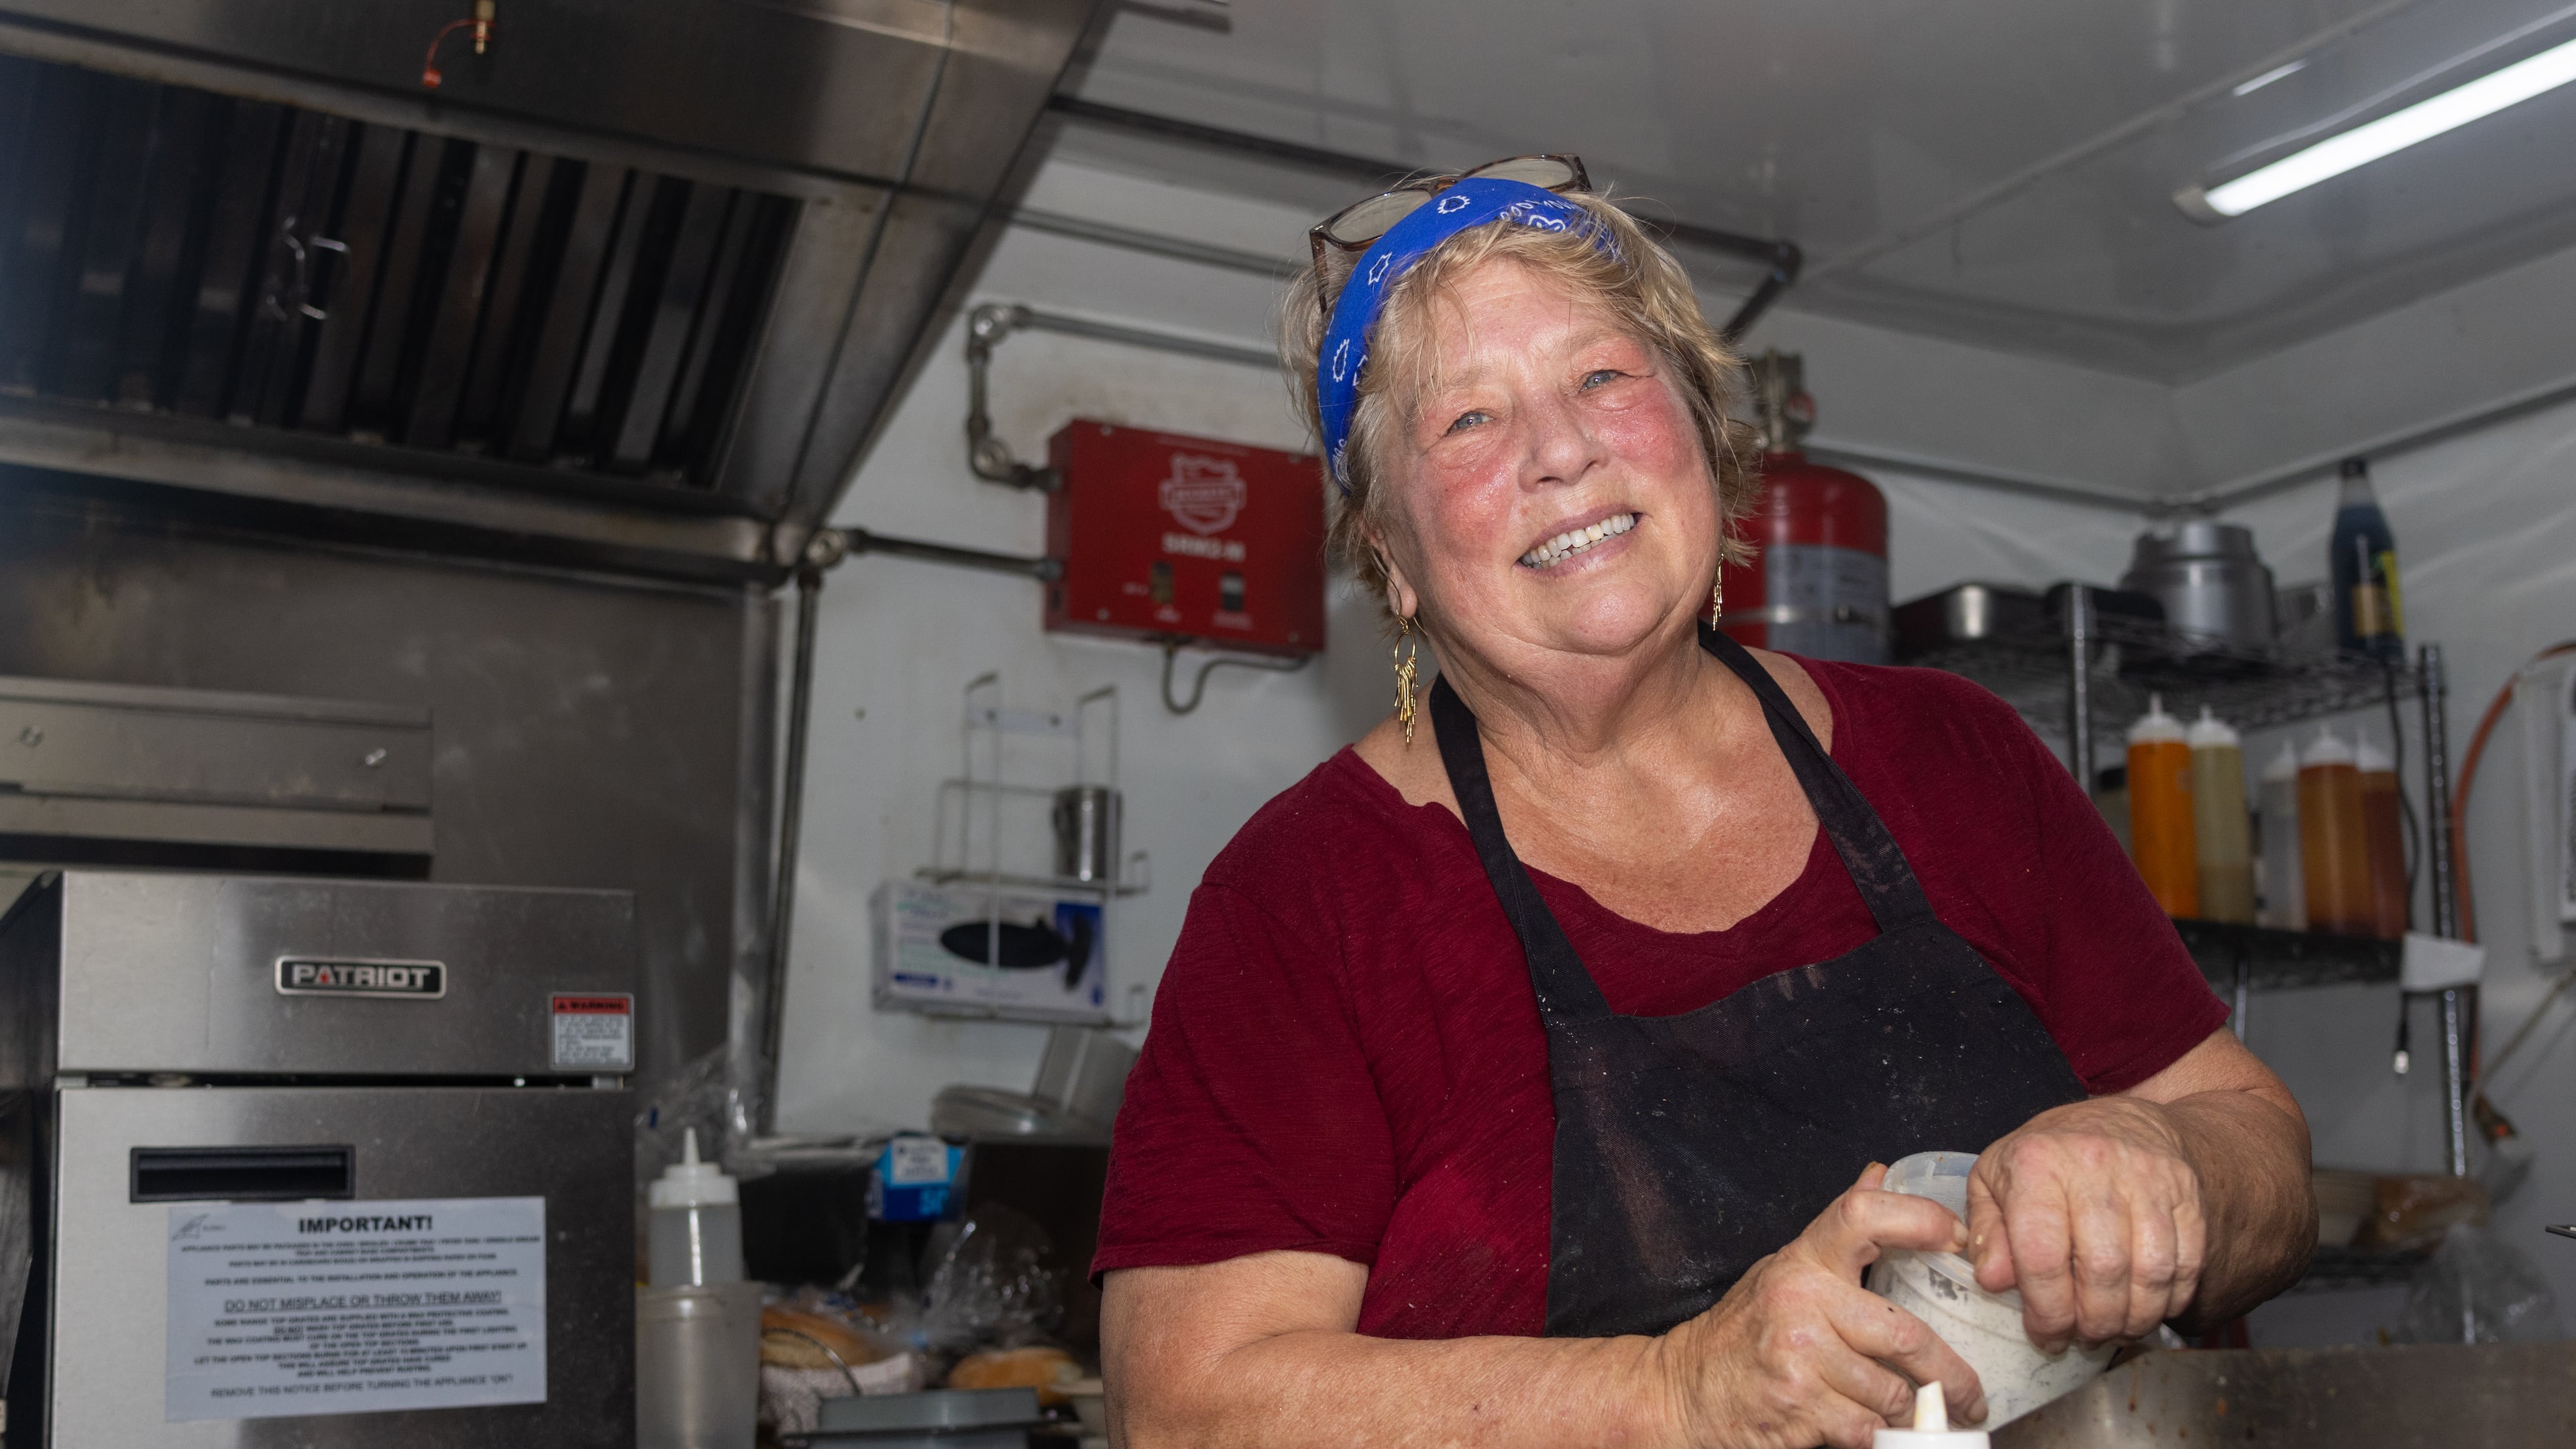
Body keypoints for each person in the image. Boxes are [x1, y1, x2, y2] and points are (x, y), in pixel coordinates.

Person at [1092, 158, 2314, 1449]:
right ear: (1390, 557)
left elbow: (2267, 1158)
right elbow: (1185, 1407)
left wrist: (2162, 1159)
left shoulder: (1955, 757)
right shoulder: (1310, 895)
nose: (1562, 452)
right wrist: (1672, 1394)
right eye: (1467, 422)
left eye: (1605, 377)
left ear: (1710, 440)